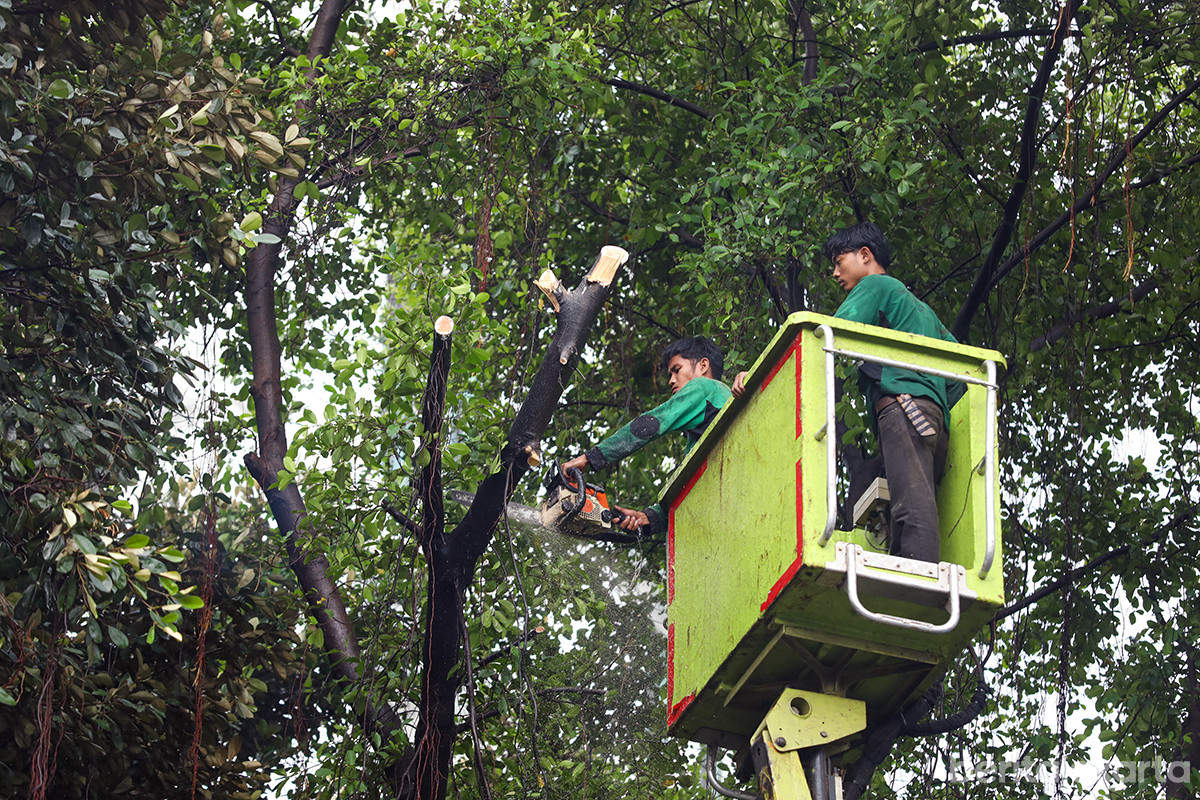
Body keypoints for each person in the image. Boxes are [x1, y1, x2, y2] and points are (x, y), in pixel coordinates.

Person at [732, 221, 960, 563]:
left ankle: (918, 579)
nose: (836, 273)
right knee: (911, 498)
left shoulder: (876, 285)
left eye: (840, 262)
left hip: (903, 410)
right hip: (934, 420)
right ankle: (907, 571)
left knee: (910, 505)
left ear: (865, 255)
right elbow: (959, 375)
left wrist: (760, 373)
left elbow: (827, 337)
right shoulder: (922, 312)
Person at [560, 337, 732, 535]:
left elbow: (651, 424)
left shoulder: (705, 386)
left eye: (677, 370)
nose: (671, 380)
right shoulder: (701, 436)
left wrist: (588, 458)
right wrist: (650, 518)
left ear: (703, 366)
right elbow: (695, 488)